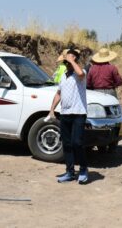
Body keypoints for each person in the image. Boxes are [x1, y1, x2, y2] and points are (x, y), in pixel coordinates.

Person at [46, 48, 89, 185]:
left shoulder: (81, 73)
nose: (66, 61)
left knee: (77, 142)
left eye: (69, 59)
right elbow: (59, 93)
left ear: (75, 59)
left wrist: (71, 58)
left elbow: (80, 73)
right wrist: (51, 109)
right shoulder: (64, 75)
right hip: (65, 114)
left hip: (79, 113)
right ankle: (70, 172)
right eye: (65, 60)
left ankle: (83, 170)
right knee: (67, 144)